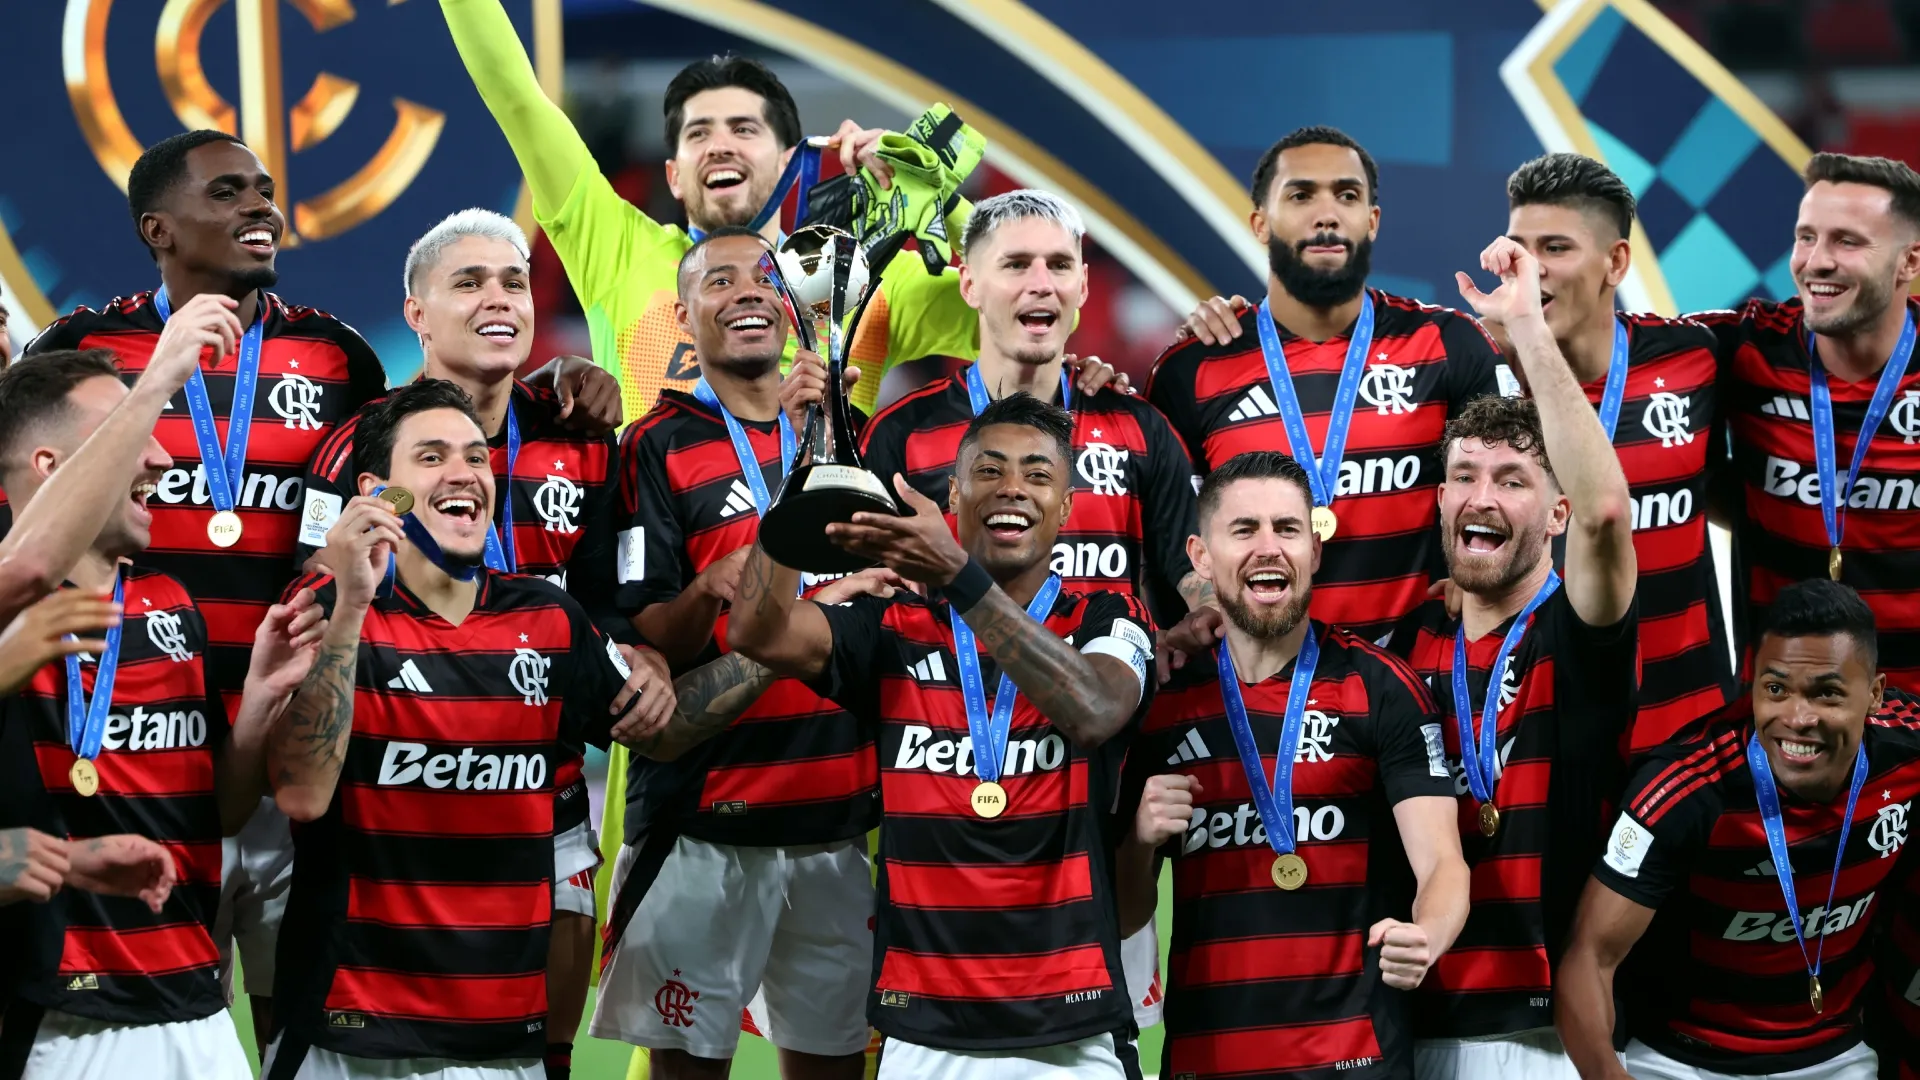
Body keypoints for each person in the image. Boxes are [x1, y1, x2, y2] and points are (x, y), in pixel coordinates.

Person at [20, 129, 619, 1050]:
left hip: (290, 734)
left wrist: (542, 376)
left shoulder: (335, 357)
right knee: (125, 1018)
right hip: (134, 746)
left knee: (291, 1016)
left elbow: (420, 440)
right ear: (158, 228)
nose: (261, 207)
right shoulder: (85, 350)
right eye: (227, 193)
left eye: (264, 190)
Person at [727, 392, 1155, 1077]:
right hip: (922, 1034)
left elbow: (1095, 710)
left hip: (1073, 1035)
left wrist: (957, 576)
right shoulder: (892, 627)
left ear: (1069, 507)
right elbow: (755, 632)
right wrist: (800, 475)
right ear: (953, 494)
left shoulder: (1110, 617)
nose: (1012, 487)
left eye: (1038, 475)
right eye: (988, 471)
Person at [293, 208, 627, 1077]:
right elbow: (318, 601)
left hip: (536, 785)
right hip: (396, 793)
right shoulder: (357, 446)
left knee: (533, 1046)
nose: (498, 299)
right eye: (469, 282)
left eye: (513, 281)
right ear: (416, 313)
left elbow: (609, 609)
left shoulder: (580, 437)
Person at [259, 379, 670, 1080]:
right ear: (375, 491)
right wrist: (353, 607)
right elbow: (299, 793)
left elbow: (665, 729)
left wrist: (771, 617)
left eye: (477, 457)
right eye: (432, 456)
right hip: (346, 1042)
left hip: (503, 1047)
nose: (464, 473)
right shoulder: (324, 613)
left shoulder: (548, 618)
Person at [592, 227, 887, 1080]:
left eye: (765, 277)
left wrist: (820, 434)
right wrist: (705, 588)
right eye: (718, 281)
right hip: (704, 823)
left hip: (840, 823)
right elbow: (649, 634)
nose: (747, 291)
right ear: (684, 316)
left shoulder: (852, 433)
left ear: (794, 306)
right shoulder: (654, 446)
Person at [0, 348, 326, 1078]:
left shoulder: (172, 605)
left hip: (197, 1005)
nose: (157, 455)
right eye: (128, 429)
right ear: (55, 468)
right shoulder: (9, 613)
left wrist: (263, 700)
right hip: (63, 1017)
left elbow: (220, 812)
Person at [439, 0, 980, 421]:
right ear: (673, 175)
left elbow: (1024, 309)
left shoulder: (866, 278)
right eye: (699, 134)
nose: (721, 145)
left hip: (824, 558)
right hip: (660, 562)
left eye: (744, 129)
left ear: (791, 160)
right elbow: (516, 97)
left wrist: (942, 199)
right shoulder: (618, 249)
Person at [1118, 450, 1468, 1078]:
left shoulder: (1380, 685)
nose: (1269, 547)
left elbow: (1443, 861)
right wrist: (1141, 841)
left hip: (1354, 1062)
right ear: (1201, 556)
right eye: (1244, 529)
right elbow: (1121, 914)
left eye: (1287, 528)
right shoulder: (1160, 703)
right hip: (1207, 1060)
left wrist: (1429, 936)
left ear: (1314, 550)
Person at [1384, 239, 1638, 1077]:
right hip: (1407, 1022)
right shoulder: (1409, 643)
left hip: (1544, 1038)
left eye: (1513, 479)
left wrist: (1527, 330)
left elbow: (1608, 510)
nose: (1482, 496)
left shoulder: (1580, 631)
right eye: (1464, 476)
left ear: (1556, 513)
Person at [1148, 126, 1507, 646]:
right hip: (1251, 698)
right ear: (1260, 223)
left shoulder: (1448, 345)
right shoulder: (1192, 368)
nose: (1327, 213)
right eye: (1300, 195)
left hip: (1415, 688)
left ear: (1372, 220)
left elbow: (1517, 485)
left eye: (1347, 195)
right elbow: (1164, 536)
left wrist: (1481, 573)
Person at [1556, 579, 1912, 1080]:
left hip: (1835, 1057)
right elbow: (1589, 958)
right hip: (1680, 1062)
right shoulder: (1684, 789)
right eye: (1776, 689)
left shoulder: (1909, 753)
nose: (1797, 718)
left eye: (1827, 693)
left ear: (1874, 693)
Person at [1496, 153, 1731, 752]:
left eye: (1555, 248)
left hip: (1690, 734)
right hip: (1537, 736)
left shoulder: (1695, 355)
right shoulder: (1476, 372)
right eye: (1518, 247)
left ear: (1616, 261)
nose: (1530, 270)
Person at [1695, 153, 1920, 695]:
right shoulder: (1746, 346)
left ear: (1909, 263)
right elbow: (1610, 347)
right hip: (1784, 716)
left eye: (1847, 241)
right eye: (1806, 237)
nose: (1815, 262)